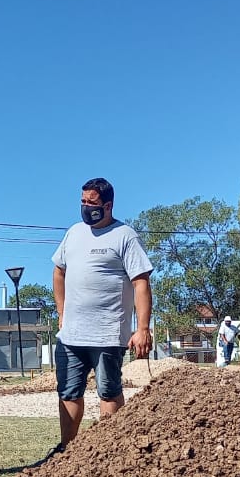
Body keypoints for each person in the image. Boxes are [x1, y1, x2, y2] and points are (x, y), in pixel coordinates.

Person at [51, 178, 153, 454]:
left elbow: (141, 282)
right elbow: (59, 271)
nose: (86, 208)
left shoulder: (125, 236)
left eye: (92, 203)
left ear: (108, 205)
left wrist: (142, 328)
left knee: (108, 391)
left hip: (107, 334)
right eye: (83, 202)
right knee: (69, 392)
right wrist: (62, 311)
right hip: (72, 335)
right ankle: (67, 451)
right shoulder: (74, 233)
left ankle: (108, 454)